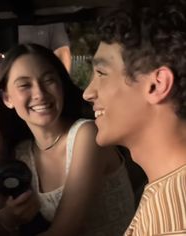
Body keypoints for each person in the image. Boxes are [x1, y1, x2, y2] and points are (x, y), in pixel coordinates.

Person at [0, 43, 135, 236]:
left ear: (62, 86)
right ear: (7, 99)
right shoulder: (21, 154)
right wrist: (7, 219)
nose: (39, 94)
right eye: (25, 85)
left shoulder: (86, 135)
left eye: (48, 81)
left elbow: (64, 232)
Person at [83, 0, 186, 235]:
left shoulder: (174, 219)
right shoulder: (166, 187)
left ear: (156, 85)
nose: (88, 92)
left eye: (101, 73)